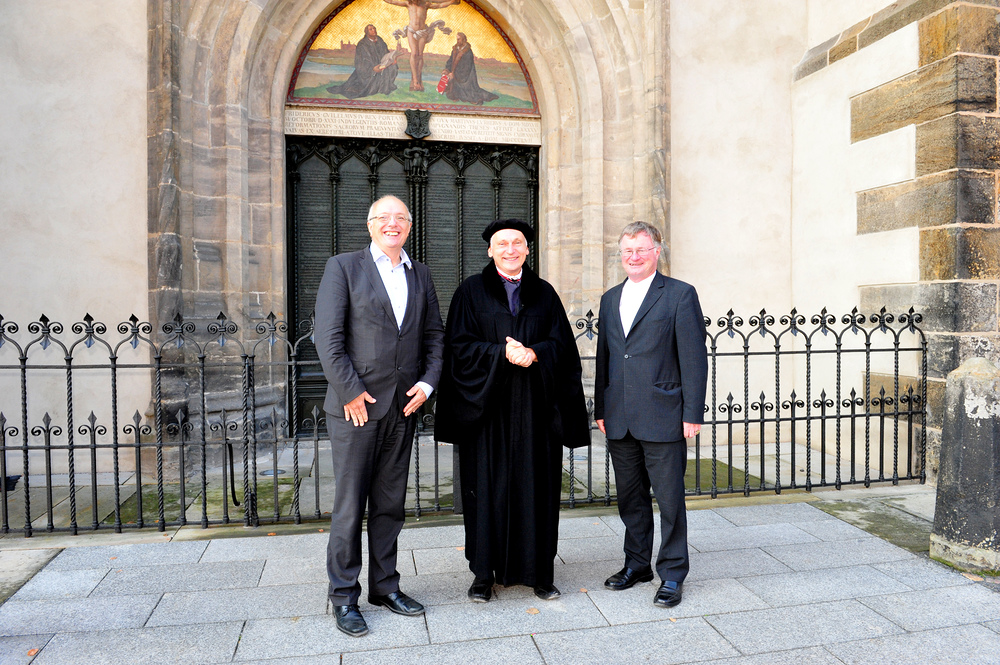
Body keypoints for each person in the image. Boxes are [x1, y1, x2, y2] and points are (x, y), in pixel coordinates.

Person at [435, 219, 589, 603]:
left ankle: (541, 574)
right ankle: (482, 576)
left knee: (538, 489)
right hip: (487, 413)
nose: (509, 249)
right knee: (484, 491)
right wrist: (500, 353)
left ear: (527, 250)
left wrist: (536, 352)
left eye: (517, 243)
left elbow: (564, 349)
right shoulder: (470, 292)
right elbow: (457, 347)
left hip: (536, 413)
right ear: (490, 250)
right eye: (502, 243)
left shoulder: (545, 294)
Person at [314, 195, 445, 637]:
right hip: (357, 409)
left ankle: (385, 587)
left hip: (403, 407)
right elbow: (327, 338)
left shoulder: (421, 273)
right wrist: (350, 391)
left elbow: (434, 336)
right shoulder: (343, 267)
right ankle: (343, 596)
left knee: (390, 505)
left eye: (401, 218)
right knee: (350, 506)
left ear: (410, 226)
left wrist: (427, 384)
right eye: (384, 218)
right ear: (370, 225)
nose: (393, 224)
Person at [593, 221, 708, 609]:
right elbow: (606, 358)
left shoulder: (679, 295)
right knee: (630, 498)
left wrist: (692, 413)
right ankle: (637, 564)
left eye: (642, 249)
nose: (634, 257)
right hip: (620, 417)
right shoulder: (610, 299)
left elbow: (694, 360)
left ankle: (672, 573)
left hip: (664, 415)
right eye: (628, 251)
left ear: (657, 251)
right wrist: (602, 407)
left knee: (670, 500)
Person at [383, 0, 460, 91]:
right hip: (411, 31)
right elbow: (392, 1)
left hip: (423, 32)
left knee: (420, 55)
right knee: (414, 53)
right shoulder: (409, 4)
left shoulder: (425, 4)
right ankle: (415, 80)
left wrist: (451, 1)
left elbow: (440, 5)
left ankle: (419, 79)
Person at [327, 24, 400, 99]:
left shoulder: (380, 40)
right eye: (370, 29)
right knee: (364, 84)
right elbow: (361, 61)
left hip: (382, 65)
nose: (373, 30)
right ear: (366, 32)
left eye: (374, 28)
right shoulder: (362, 44)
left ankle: (385, 87)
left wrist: (392, 59)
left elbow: (386, 52)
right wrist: (373, 68)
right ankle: (376, 88)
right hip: (368, 70)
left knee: (393, 67)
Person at [441, 32, 499, 105]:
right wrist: (447, 70)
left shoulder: (468, 52)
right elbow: (450, 61)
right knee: (451, 91)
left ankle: (475, 99)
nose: (457, 41)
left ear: (463, 40)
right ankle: (455, 96)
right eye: (457, 39)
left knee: (470, 95)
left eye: (459, 39)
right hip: (455, 74)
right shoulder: (455, 49)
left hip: (467, 77)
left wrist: (454, 74)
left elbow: (467, 67)